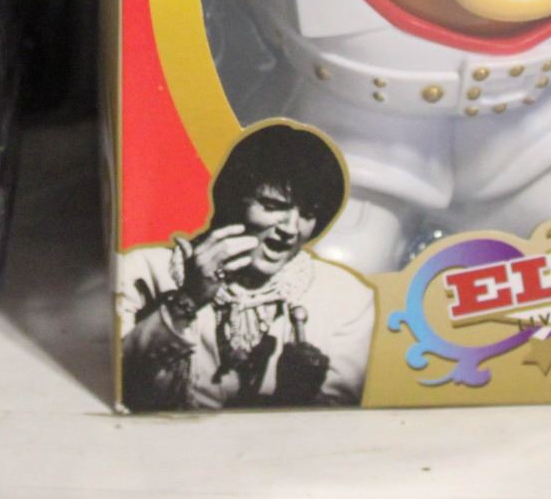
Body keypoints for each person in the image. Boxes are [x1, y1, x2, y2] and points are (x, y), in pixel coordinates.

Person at [118, 124, 375, 409]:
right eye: (273, 206)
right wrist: (187, 300)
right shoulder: (144, 272)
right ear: (233, 199)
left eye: (308, 213)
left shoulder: (347, 299)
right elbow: (115, 381)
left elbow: (337, 422)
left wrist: (295, 398)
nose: (290, 229)